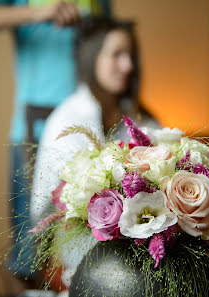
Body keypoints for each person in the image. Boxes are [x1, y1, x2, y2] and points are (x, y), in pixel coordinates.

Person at [0, 0, 112, 287]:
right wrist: (41, 13)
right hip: (35, 139)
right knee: (33, 256)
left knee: (99, 247)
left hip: (91, 134)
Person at [30, 17, 158, 287]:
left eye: (131, 55)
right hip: (87, 262)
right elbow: (47, 209)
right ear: (91, 57)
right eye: (117, 55)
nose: (128, 65)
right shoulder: (68, 121)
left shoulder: (141, 118)